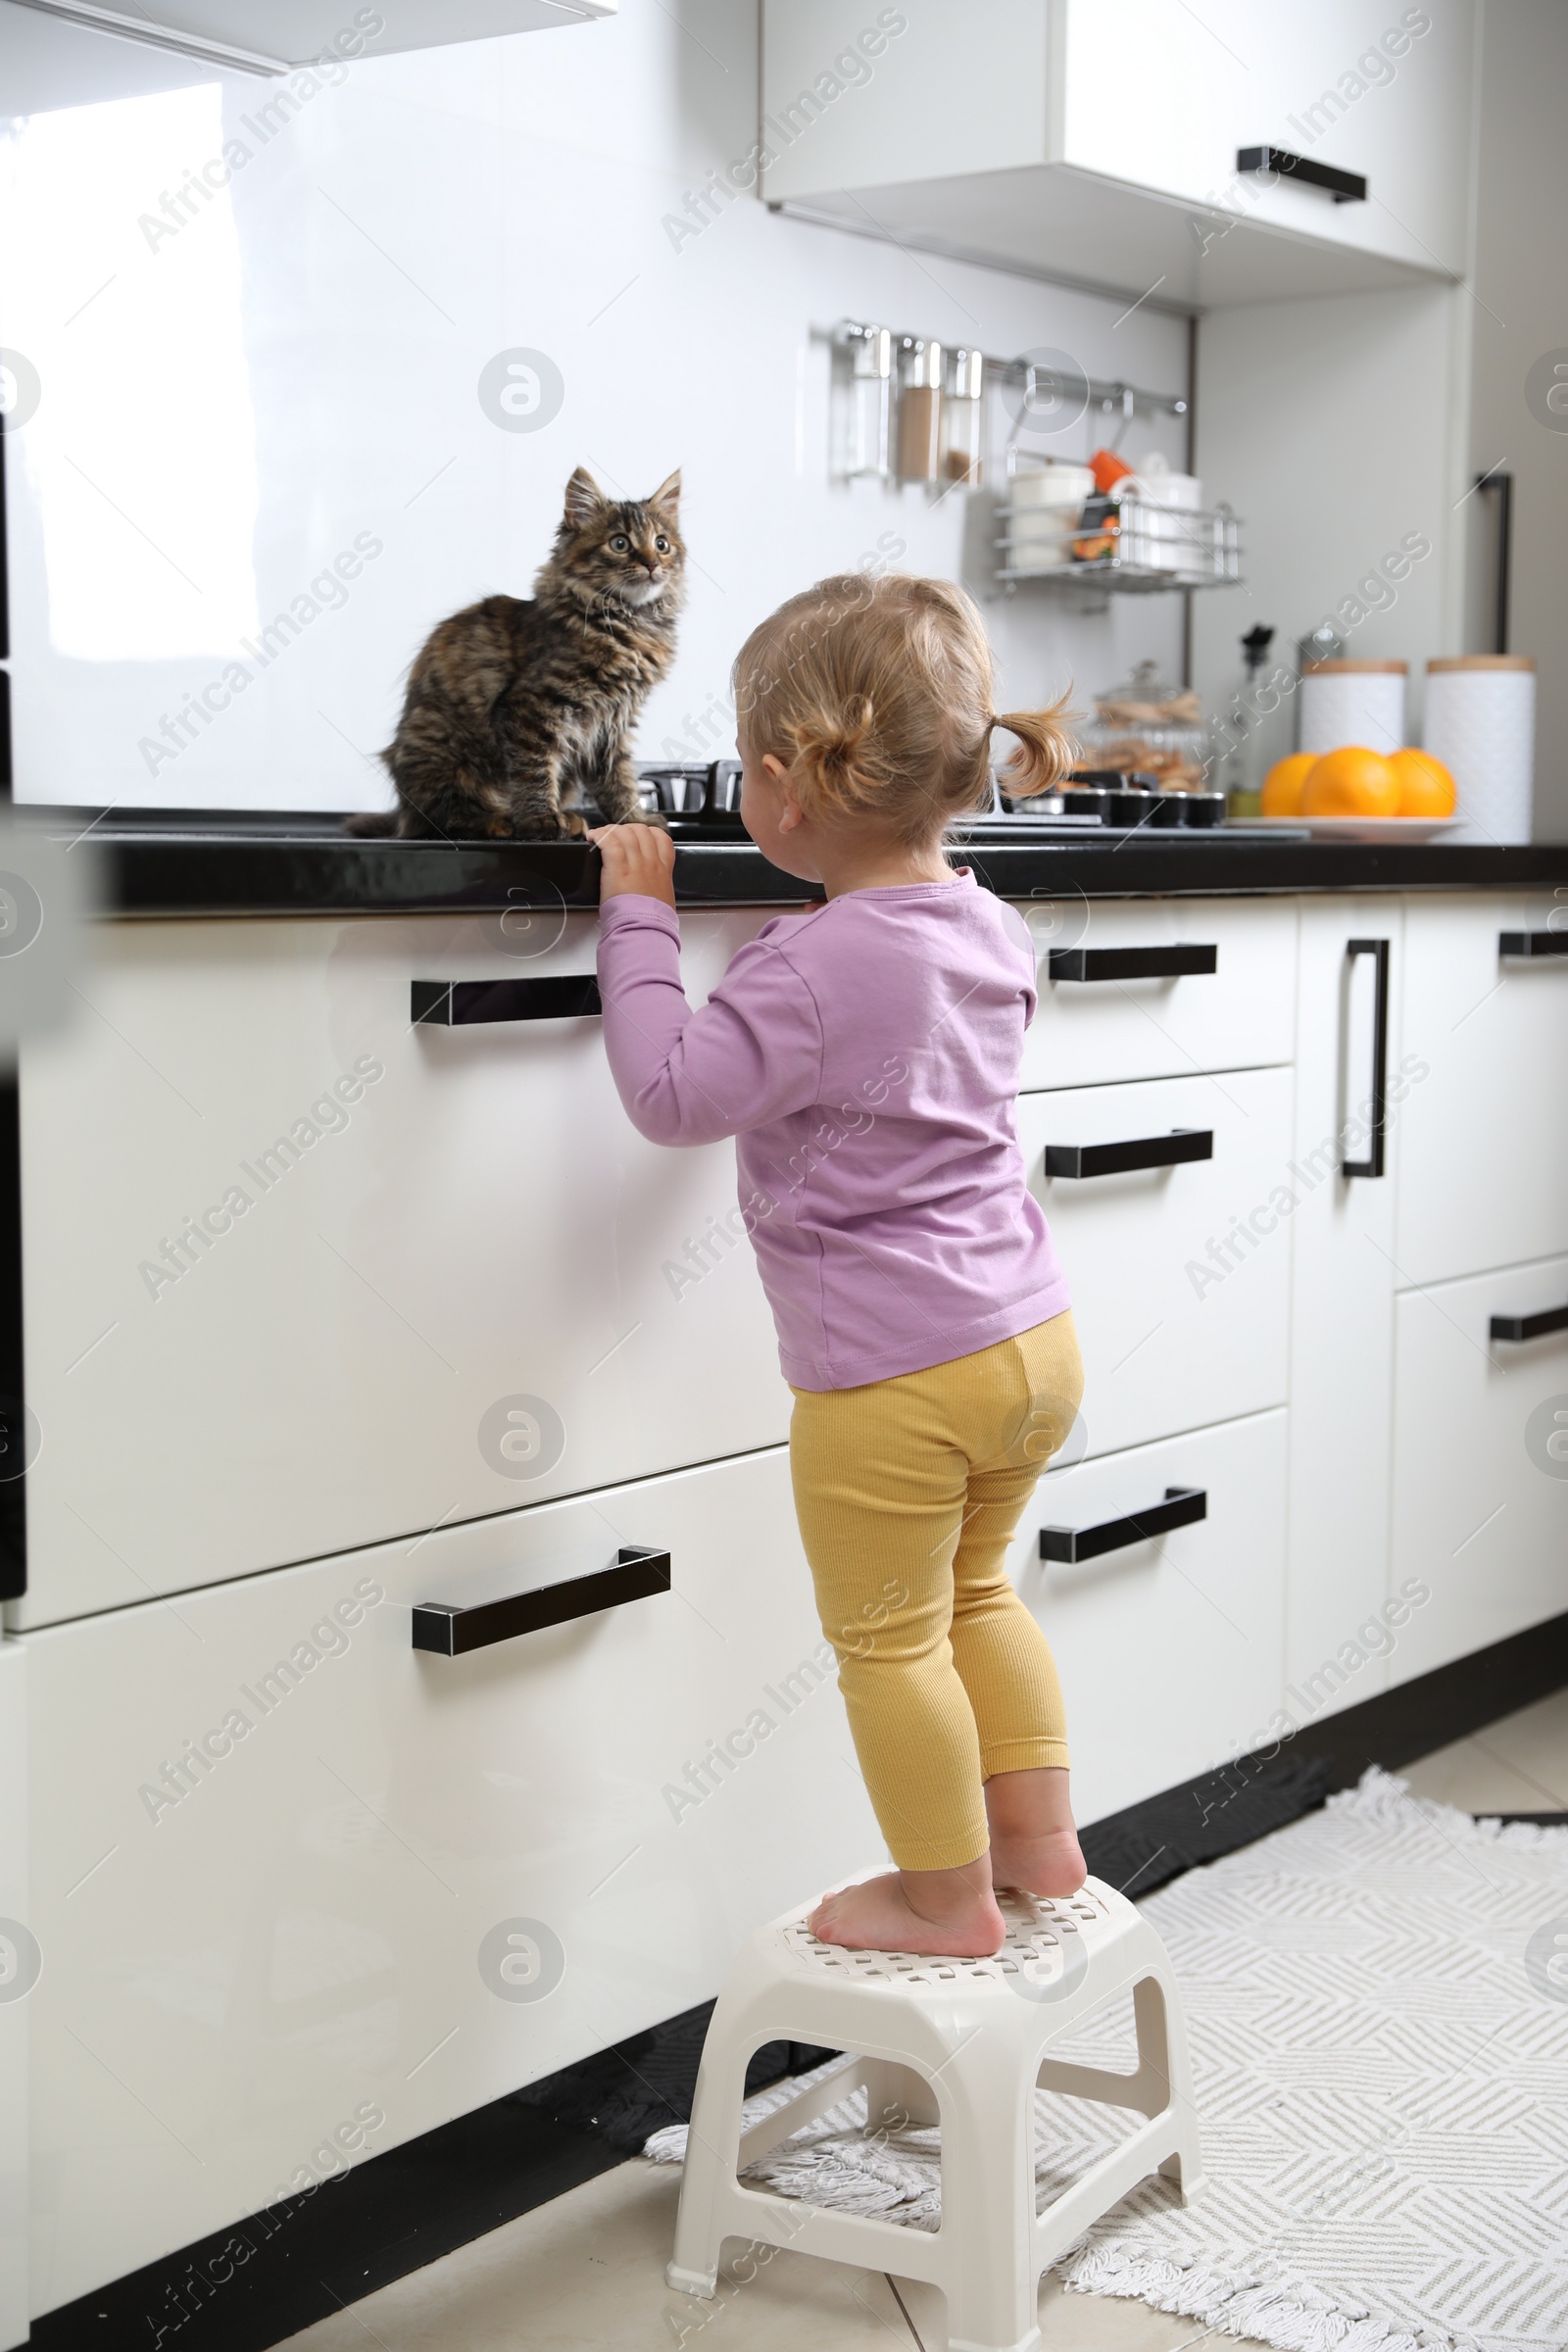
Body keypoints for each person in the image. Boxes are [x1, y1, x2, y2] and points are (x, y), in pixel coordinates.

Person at [591, 571, 1083, 1957]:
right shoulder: (985, 923)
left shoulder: (806, 968)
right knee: (981, 1595)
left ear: (784, 788)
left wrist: (640, 915)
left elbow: (672, 1096)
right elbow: (878, 1030)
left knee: (890, 1645)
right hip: (1031, 1343)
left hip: (891, 1382)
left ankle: (946, 1904)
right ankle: (1040, 1849)